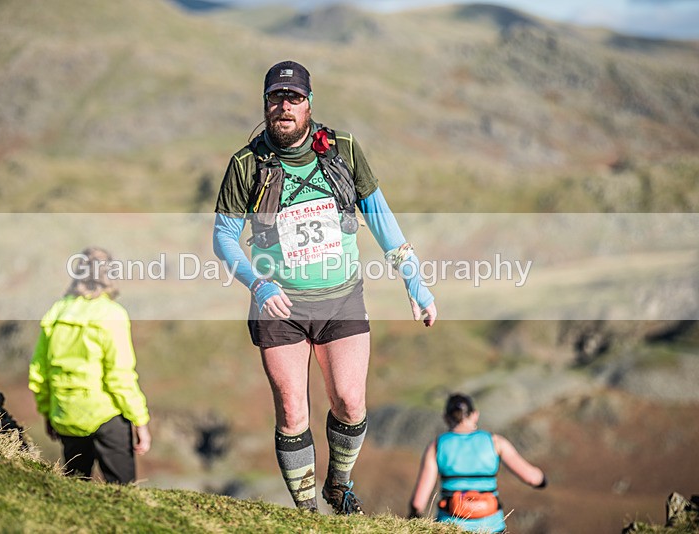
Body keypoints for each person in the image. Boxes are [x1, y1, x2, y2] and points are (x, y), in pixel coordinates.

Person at [212, 60, 437, 514]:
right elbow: (223, 237)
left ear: (309, 104)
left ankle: (338, 485)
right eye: (276, 98)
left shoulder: (343, 150)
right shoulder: (247, 163)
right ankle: (307, 514)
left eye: (294, 99)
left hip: (342, 298)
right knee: (293, 410)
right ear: (265, 103)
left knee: (351, 403)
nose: (284, 107)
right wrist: (257, 285)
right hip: (280, 307)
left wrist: (415, 280)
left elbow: (379, 215)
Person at [29, 247, 152, 484]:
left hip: (65, 414)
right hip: (106, 416)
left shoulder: (57, 311)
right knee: (124, 494)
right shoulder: (112, 314)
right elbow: (120, 377)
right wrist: (141, 422)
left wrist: (47, 412)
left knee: (75, 489)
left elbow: (39, 371)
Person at [408, 393, 547, 531]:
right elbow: (531, 478)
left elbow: (419, 501)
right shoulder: (495, 442)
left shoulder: (437, 446)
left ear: (446, 417)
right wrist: (542, 480)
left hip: (449, 525)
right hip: (491, 526)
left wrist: (414, 516)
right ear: (475, 415)